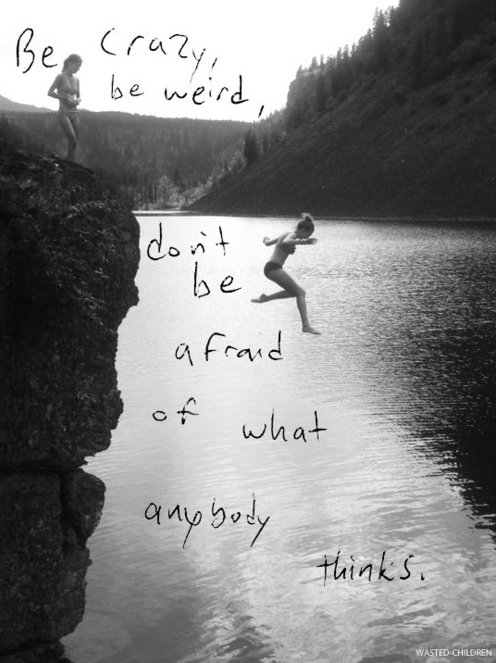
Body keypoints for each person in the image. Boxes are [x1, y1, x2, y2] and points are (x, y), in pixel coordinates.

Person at [251, 212, 320, 335]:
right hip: (274, 268)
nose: (304, 238)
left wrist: (265, 239)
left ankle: (266, 298)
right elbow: (287, 242)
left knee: (295, 292)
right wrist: (305, 242)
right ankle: (306, 326)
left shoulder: (285, 234)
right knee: (301, 292)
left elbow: (268, 243)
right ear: (302, 230)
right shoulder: (292, 235)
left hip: (271, 268)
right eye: (307, 235)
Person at [48, 54, 82, 161]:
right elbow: (50, 92)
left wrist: (77, 101)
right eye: (76, 65)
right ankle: (69, 163)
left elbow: (79, 96)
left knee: (75, 142)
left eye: (79, 66)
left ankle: (70, 162)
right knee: (72, 139)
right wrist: (63, 98)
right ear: (70, 63)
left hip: (75, 113)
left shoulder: (77, 80)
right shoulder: (60, 77)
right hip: (63, 112)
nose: (78, 69)